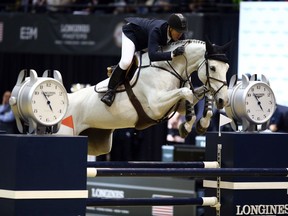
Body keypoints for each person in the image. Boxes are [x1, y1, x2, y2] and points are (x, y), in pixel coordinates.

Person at [101, 13, 188, 106]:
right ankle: (110, 92)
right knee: (126, 61)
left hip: (146, 40)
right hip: (132, 33)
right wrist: (172, 54)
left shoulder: (179, 35)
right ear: (170, 28)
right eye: (178, 31)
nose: (180, 34)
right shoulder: (157, 30)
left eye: (182, 31)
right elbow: (153, 56)